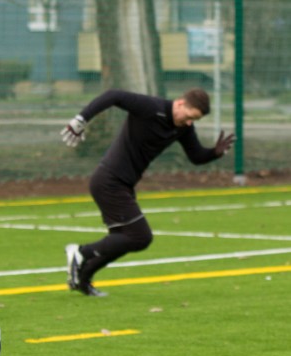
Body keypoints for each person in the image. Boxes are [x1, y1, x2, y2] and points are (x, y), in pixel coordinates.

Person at [60, 88, 236, 297]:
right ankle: (80, 253)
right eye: (189, 117)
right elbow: (113, 95)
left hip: (123, 184)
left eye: (194, 120)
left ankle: (83, 279)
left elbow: (196, 156)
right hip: (109, 181)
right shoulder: (151, 108)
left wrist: (214, 153)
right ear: (180, 103)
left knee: (121, 240)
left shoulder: (184, 127)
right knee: (140, 237)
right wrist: (81, 120)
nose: (189, 123)